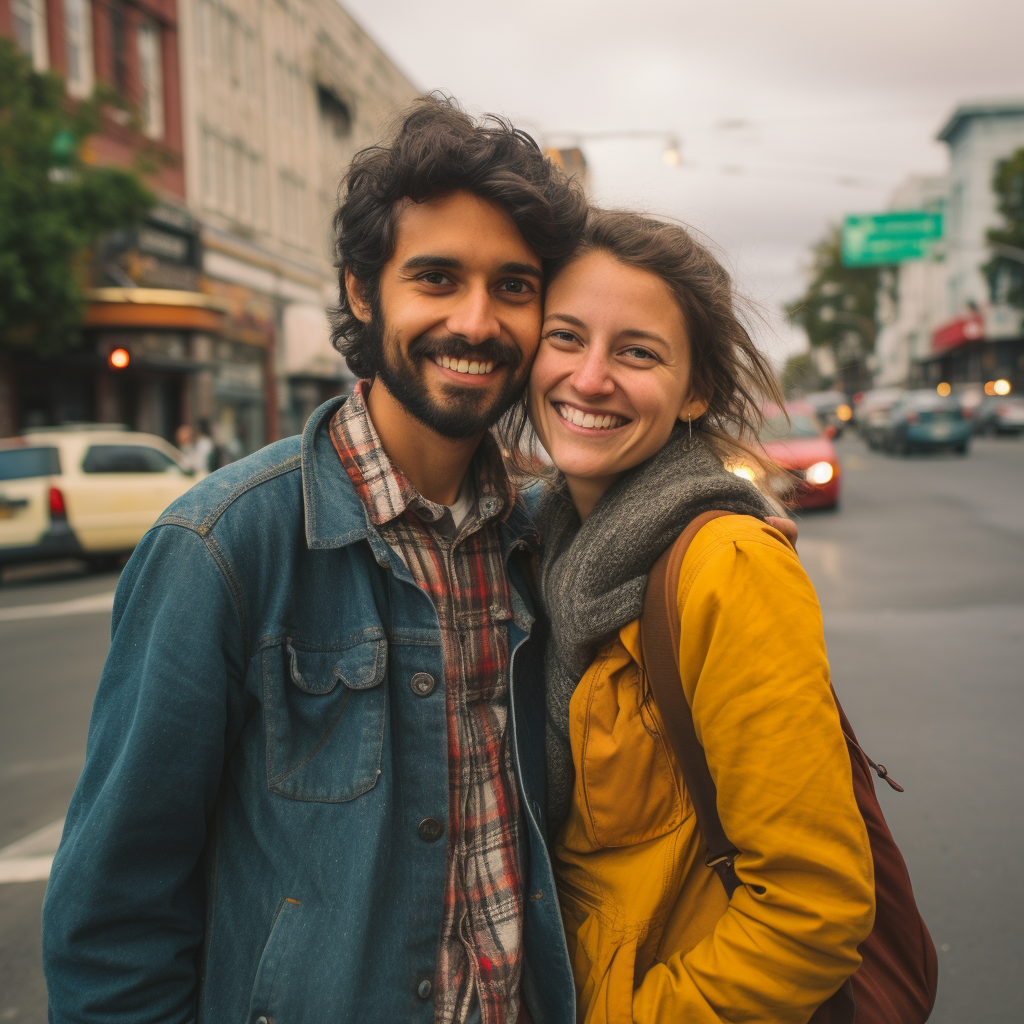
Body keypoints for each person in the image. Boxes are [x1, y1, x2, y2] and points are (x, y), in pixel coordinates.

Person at [42, 98, 588, 1024]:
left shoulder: (542, 537)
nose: (477, 320)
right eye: (437, 277)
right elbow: (114, 917)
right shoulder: (222, 548)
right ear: (364, 292)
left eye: (514, 286)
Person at [521, 209, 876, 1024]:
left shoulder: (728, 565)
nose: (591, 376)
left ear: (698, 392)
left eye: (637, 352)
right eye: (566, 337)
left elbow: (812, 910)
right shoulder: (538, 545)